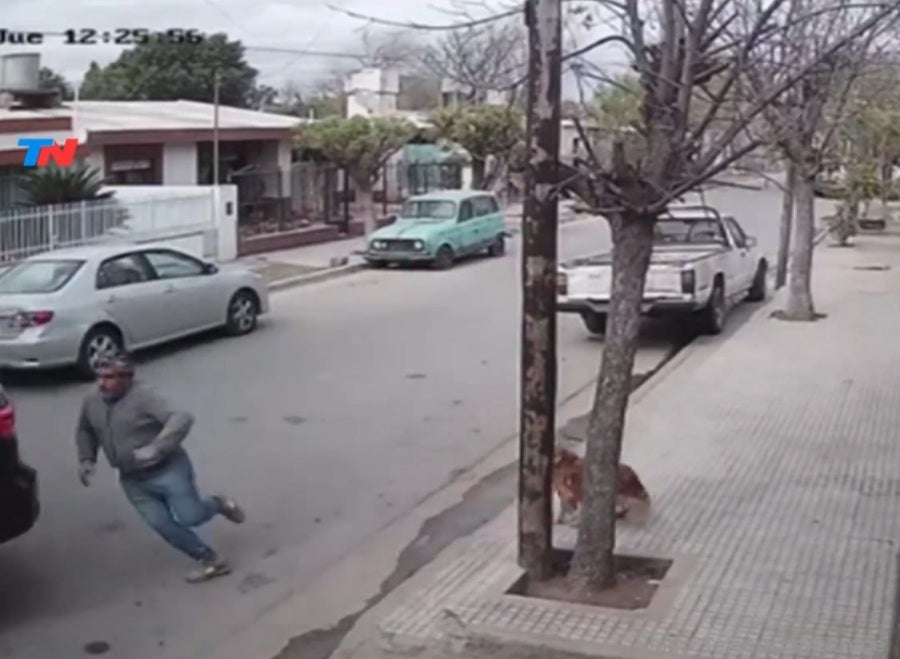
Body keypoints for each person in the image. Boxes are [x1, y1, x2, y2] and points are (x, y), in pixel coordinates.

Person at [75, 353, 245, 583]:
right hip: (132, 479)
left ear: (127, 378)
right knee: (162, 525)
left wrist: (157, 447)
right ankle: (211, 560)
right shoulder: (92, 400)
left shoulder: (145, 396)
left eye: (109, 378)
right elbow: (85, 429)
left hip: (168, 470)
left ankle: (218, 504)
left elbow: (182, 417)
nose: (102, 384)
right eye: (99, 377)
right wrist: (87, 459)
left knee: (190, 516)